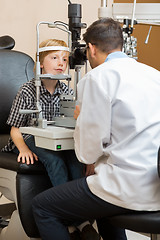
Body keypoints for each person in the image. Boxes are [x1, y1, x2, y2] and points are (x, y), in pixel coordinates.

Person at [32, 18, 160, 240]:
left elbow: (87, 153)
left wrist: (82, 119)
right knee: (100, 201)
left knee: (43, 207)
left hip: (125, 187)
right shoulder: (154, 74)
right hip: (155, 184)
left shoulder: (98, 78)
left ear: (90, 48)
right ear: (120, 44)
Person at [1, 38, 100, 240]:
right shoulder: (28, 90)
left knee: (74, 161)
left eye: (64, 59)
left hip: (57, 139)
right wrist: (24, 150)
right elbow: (15, 129)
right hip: (28, 136)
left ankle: (80, 219)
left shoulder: (66, 90)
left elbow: (76, 125)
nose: (61, 62)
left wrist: (89, 158)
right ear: (40, 64)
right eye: (54, 58)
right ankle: (69, 218)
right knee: (54, 161)